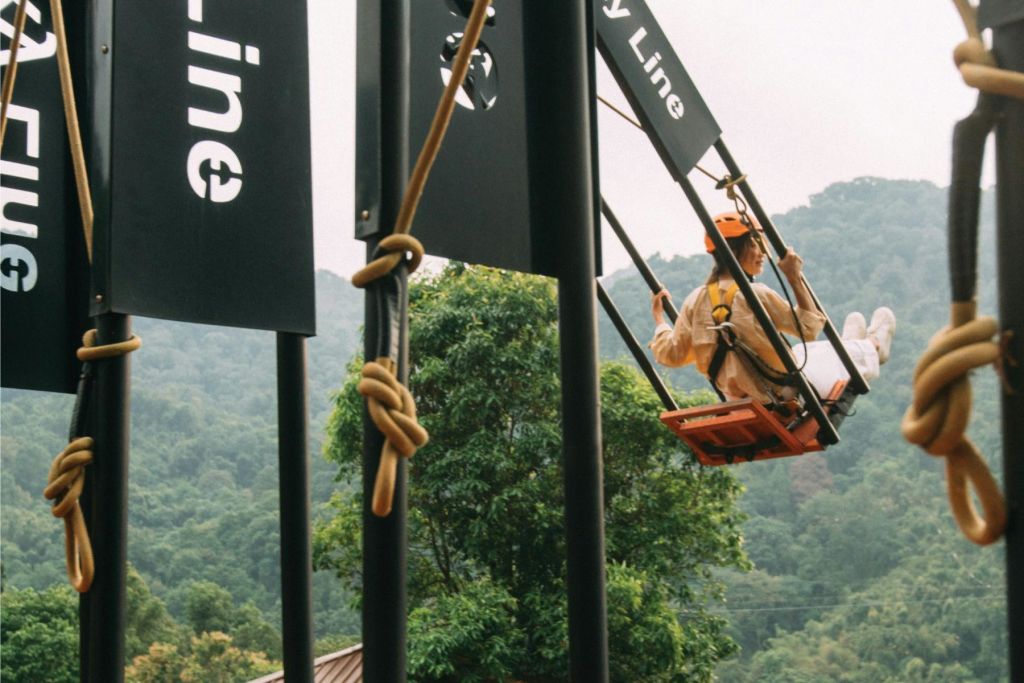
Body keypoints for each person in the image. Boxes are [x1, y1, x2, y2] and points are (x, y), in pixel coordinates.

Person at [649, 212, 894, 404]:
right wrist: (794, 278)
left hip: (735, 395)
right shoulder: (756, 295)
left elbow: (672, 354)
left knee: (807, 353)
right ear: (737, 250)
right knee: (808, 353)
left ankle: (852, 345)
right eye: (755, 244)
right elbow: (808, 328)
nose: (762, 252)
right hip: (777, 393)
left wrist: (660, 320)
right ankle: (873, 346)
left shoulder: (694, 300)